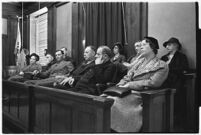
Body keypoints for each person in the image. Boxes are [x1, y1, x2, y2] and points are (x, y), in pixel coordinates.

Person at [103, 37, 169, 132]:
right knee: (103, 99)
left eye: (144, 45)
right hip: (125, 91)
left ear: (152, 47)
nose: (140, 47)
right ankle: (105, 128)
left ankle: (115, 130)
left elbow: (153, 82)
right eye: (140, 45)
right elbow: (127, 76)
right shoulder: (138, 63)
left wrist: (130, 85)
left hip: (142, 95)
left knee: (112, 103)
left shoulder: (162, 65)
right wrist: (119, 85)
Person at [161, 37, 189, 127]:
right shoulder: (164, 57)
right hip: (163, 80)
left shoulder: (182, 57)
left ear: (176, 45)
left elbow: (184, 69)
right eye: (166, 45)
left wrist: (169, 69)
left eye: (169, 44)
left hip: (176, 81)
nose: (167, 47)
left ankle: (175, 121)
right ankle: (162, 119)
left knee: (176, 100)